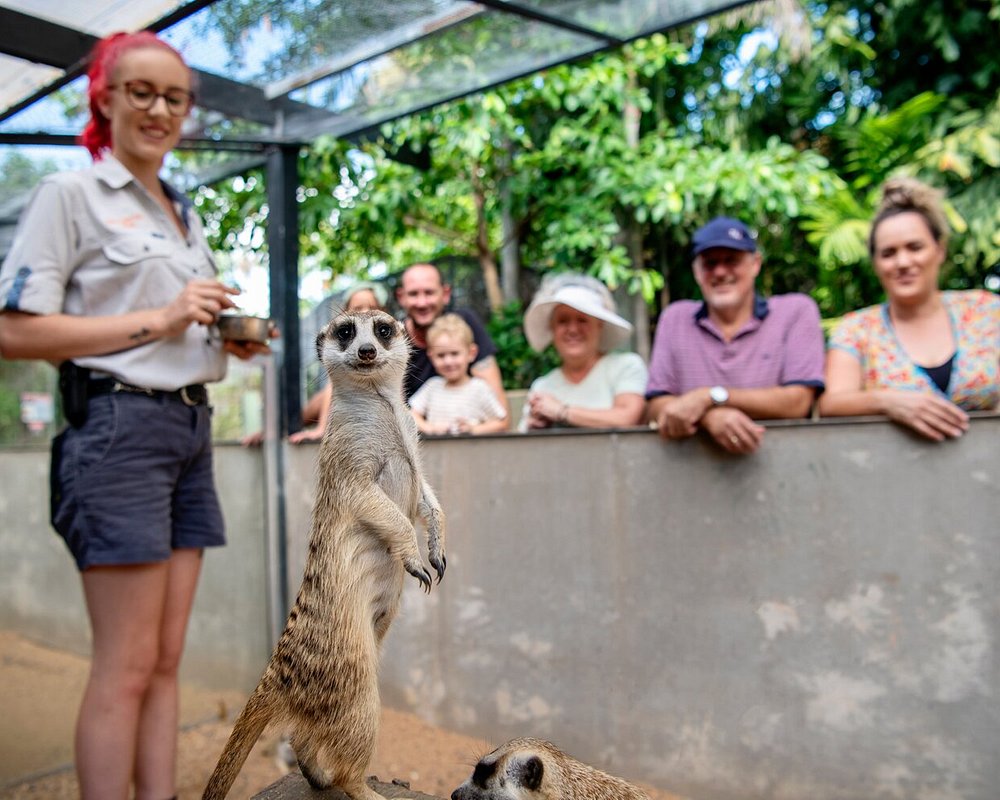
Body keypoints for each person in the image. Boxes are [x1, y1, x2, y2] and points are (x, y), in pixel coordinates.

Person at [0, 32, 270, 800]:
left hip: (188, 428)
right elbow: (15, 330)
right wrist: (161, 317)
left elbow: (174, 320)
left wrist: (223, 338)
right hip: (118, 432)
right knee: (123, 665)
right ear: (106, 99)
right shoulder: (71, 194)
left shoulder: (180, 207)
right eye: (141, 92)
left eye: (173, 97)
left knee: (164, 658)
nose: (158, 109)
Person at [818, 178, 999, 440]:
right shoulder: (856, 330)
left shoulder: (986, 311)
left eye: (915, 247)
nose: (903, 262)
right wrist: (887, 402)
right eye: (888, 253)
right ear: (876, 263)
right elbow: (830, 405)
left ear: (939, 250)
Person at [645, 216, 825, 454]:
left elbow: (798, 402)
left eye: (732, 260)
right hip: (694, 474)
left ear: (755, 264)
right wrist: (711, 417)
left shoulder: (794, 312)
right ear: (696, 272)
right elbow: (657, 405)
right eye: (710, 263)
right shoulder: (675, 319)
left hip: (784, 467)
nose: (720, 271)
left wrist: (709, 397)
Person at [519, 273, 647, 430]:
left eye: (582, 320)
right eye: (563, 321)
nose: (573, 330)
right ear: (552, 328)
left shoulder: (626, 366)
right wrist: (535, 426)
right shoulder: (542, 386)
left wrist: (562, 412)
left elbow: (627, 417)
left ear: (600, 325)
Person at [396, 263, 508, 423]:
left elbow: (500, 416)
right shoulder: (394, 338)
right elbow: (396, 411)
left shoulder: (463, 325)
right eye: (413, 294)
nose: (422, 303)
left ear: (445, 294)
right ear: (401, 297)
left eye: (429, 292)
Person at [289, 281, 389, 443]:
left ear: (383, 311)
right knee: (320, 398)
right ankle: (283, 428)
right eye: (357, 308)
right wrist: (322, 429)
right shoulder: (344, 342)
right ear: (345, 313)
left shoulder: (389, 339)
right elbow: (334, 384)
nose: (365, 313)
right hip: (350, 407)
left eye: (372, 307)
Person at [409, 313, 508, 434]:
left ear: (471, 353)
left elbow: (501, 423)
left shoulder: (479, 388)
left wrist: (473, 430)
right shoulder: (432, 387)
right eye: (441, 355)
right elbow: (411, 415)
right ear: (431, 356)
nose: (448, 361)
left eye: (454, 354)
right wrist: (430, 428)